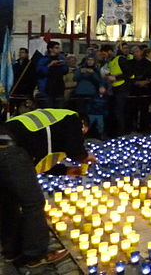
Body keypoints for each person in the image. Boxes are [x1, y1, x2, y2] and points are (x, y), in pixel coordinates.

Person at [0, 126, 70, 268]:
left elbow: (37, 158)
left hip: (5, 146)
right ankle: (35, 255)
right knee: (33, 203)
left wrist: (65, 170)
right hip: (8, 150)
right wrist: (81, 156)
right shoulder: (67, 121)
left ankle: (12, 251)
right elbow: (40, 157)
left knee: (8, 201)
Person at [5, 107, 96, 176]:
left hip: (8, 136)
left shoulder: (55, 132)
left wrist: (65, 171)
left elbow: (39, 165)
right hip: (13, 137)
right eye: (82, 132)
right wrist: (85, 156)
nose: (80, 137)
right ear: (83, 123)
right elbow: (74, 148)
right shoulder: (72, 118)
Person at [36, 41, 68, 108]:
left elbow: (65, 71)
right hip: (47, 89)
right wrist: (50, 65)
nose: (58, 50)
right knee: (48, 111)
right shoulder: (43, 60)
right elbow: (39, 72)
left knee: (59, 111)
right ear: (50, 49)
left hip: (59, 88)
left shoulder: (61, 59)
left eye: (59, 48)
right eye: (56, 48)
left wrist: (63, 64)